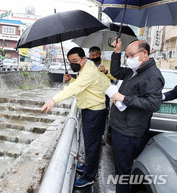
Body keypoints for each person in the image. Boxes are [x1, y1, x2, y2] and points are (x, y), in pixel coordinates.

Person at [41, 47, 106, 188]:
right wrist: (71, 80)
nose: (72, 64)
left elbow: (74, 89)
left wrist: (53, 100)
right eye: (70, 62)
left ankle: (88, 177)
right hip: (90, 110)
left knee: (92, 146)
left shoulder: (88, 72)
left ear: (84, 58)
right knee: (89, 144)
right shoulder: (85, 68)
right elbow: (80, 86)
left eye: (75, 60)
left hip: (94, 112)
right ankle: (87, 166)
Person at [109, 39, 164, 193]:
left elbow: (153, 104)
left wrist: (124, 98)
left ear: (144, 53)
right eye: (127, 56)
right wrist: (117, 52)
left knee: (123, 171)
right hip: (120, 125)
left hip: (128, 130)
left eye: (131, 55)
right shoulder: (135, 70)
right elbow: (115, 72)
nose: (128, 59)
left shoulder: (152, 75)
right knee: (121, 168)